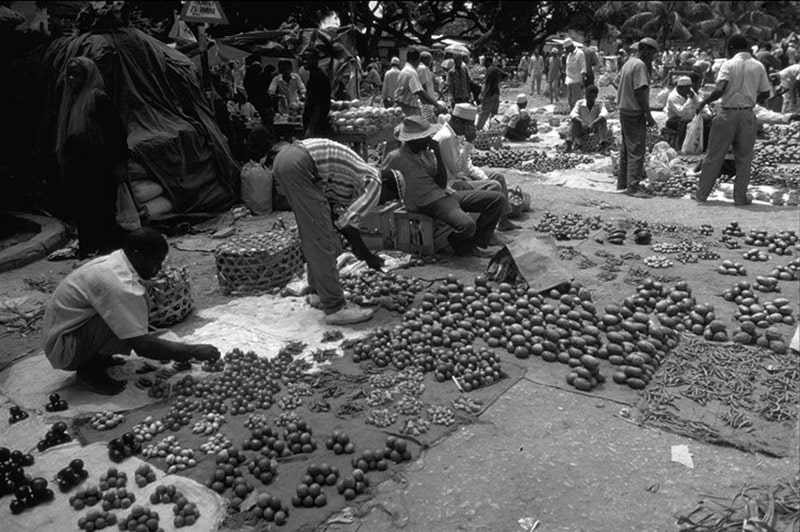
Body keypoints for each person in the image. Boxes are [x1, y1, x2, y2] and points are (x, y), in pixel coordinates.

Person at [42, 228, 221, 395]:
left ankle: (99, 357)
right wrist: (193, 350)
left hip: (70, 331)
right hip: (64, 347)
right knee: (122, 315)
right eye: (155, 262)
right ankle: (88, 371)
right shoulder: (120, 284)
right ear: (137, 255)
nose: (158, 269)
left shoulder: (118, 259)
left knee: (128, 311)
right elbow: (142, 346)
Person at [273, 139, 404, 325]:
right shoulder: (375, 182)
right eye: (389, 198)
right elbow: (348, 225)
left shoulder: (355, 179)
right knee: (322, 240)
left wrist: (357, 247)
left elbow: (336, 217)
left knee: (314, 234)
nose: (384, 203)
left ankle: (317, 292)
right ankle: (335, 308)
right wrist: (368, 256)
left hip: (287, 159)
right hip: (299, 164)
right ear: (386, 184)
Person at [383, 116, 504, 258]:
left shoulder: (425, 154)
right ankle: (459, 244)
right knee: (467, 225)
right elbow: (381, 177)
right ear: (412, 140)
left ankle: (474, 243)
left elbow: (441, 182)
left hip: (444, 194)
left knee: (497, 200)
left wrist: (437, 154)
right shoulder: (395, 157)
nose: (428, 140)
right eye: (424, 138)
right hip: (425, 201)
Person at [55, 56, 129, 258]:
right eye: (69, 74)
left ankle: (109, 250)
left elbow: (116, 133)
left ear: (87, 76)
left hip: (98, 162)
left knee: (102, 207)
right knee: (82, 207)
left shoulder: (97, 98)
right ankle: (88, 247)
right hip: (77, 163)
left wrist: (119, 164)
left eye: (76, 74)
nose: (71, 78)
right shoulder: (70, 100)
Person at [695, 34, 771, 206]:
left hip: (727, 114)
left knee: (714, 156)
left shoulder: (728, 64)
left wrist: (704, 102)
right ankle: (740, 197)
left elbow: (720, 89)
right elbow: (766, 93)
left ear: (731, 48)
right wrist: (750, 95)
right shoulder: (758, 66)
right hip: (747, 115)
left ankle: (702, 195)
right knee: (744, 158)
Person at [434, 103, 521, 232]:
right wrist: (468, 143)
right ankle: (484, 233)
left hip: (461, 176)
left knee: (498, 177)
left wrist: (483, 177)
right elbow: (456, 169)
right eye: (468, 125)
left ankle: (503, 220)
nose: (470, 129)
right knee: (494, 186)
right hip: (452, 183)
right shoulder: (446, 138)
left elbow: (467, 165)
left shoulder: (455, 135)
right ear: (457, 121)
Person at [614, 37, 658, 197]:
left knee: (626, 149)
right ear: (645, 49)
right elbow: (640, 91)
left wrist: (625, 95)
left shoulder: (629, 62)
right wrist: (648, 114)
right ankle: (633, 186)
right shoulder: (639, 66)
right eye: (652, 53)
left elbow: (616, 82)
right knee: (637, 150)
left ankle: (623, 183)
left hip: (624, 110)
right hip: (634, 112)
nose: (653, 57)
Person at [394, 49, 448, 117]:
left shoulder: (404, 70)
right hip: (407, 107)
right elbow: (419, 91)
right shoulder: (411, 72)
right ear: (417, 60)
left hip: (401, 104)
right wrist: (437, 105)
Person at [567, 85, 609, 151]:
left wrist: (594, 123)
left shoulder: (600, 104)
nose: (589, 99)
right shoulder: (580, 103)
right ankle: (569, 144)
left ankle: (603, 145)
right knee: (574, 121)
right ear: (585, 95)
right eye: (588, 96)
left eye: (591, 97)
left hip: (594, 130)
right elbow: (573, 114)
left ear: (596, 96)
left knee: (603, 121)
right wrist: (581, 122)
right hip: (582, 129)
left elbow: (604, 114)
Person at [301, 48, 331, 138]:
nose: (304, 62)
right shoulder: (313, 75)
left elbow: (319, 104)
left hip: (317, 126)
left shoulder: (319, 77)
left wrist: (310, 128)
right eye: (303, 59)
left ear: (316, 60)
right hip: (315, 124)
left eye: (308, 59)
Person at [664, 76, 701, 149]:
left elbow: (699, 102)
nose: (689, 90)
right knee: (685, 122)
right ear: (680, 88)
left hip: (689, 117)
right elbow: (680, 112)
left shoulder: (690, 92)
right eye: (687, 88)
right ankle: (680, 146)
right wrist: (690, 100)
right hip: (674, 119)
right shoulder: (673, 97)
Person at [476, 56, 503, 130]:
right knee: (494, 114)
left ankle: (478, 129)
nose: (484, 64)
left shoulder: (490, 70)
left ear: (488, 62)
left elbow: (487, 84)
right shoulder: (497, 69)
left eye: (485, 62)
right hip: (496, 92)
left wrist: (482, 95)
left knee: (484, 112)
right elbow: (505, 76)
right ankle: (492, 129)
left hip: (490, 94)